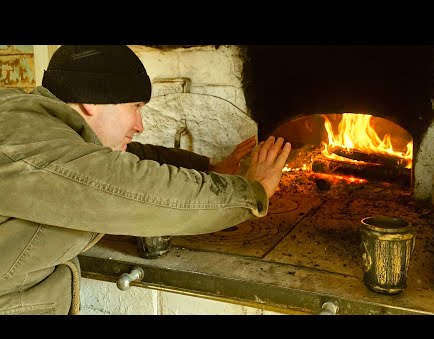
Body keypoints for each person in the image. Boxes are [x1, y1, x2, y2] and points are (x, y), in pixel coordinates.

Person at [0, 45, 291, 315]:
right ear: (92, 100)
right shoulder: (36, 152)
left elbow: (130, 156)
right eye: (135, 107)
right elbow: (135, 188)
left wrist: (212, 168)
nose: (140, 125)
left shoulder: (32, 124)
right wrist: (253, 190)